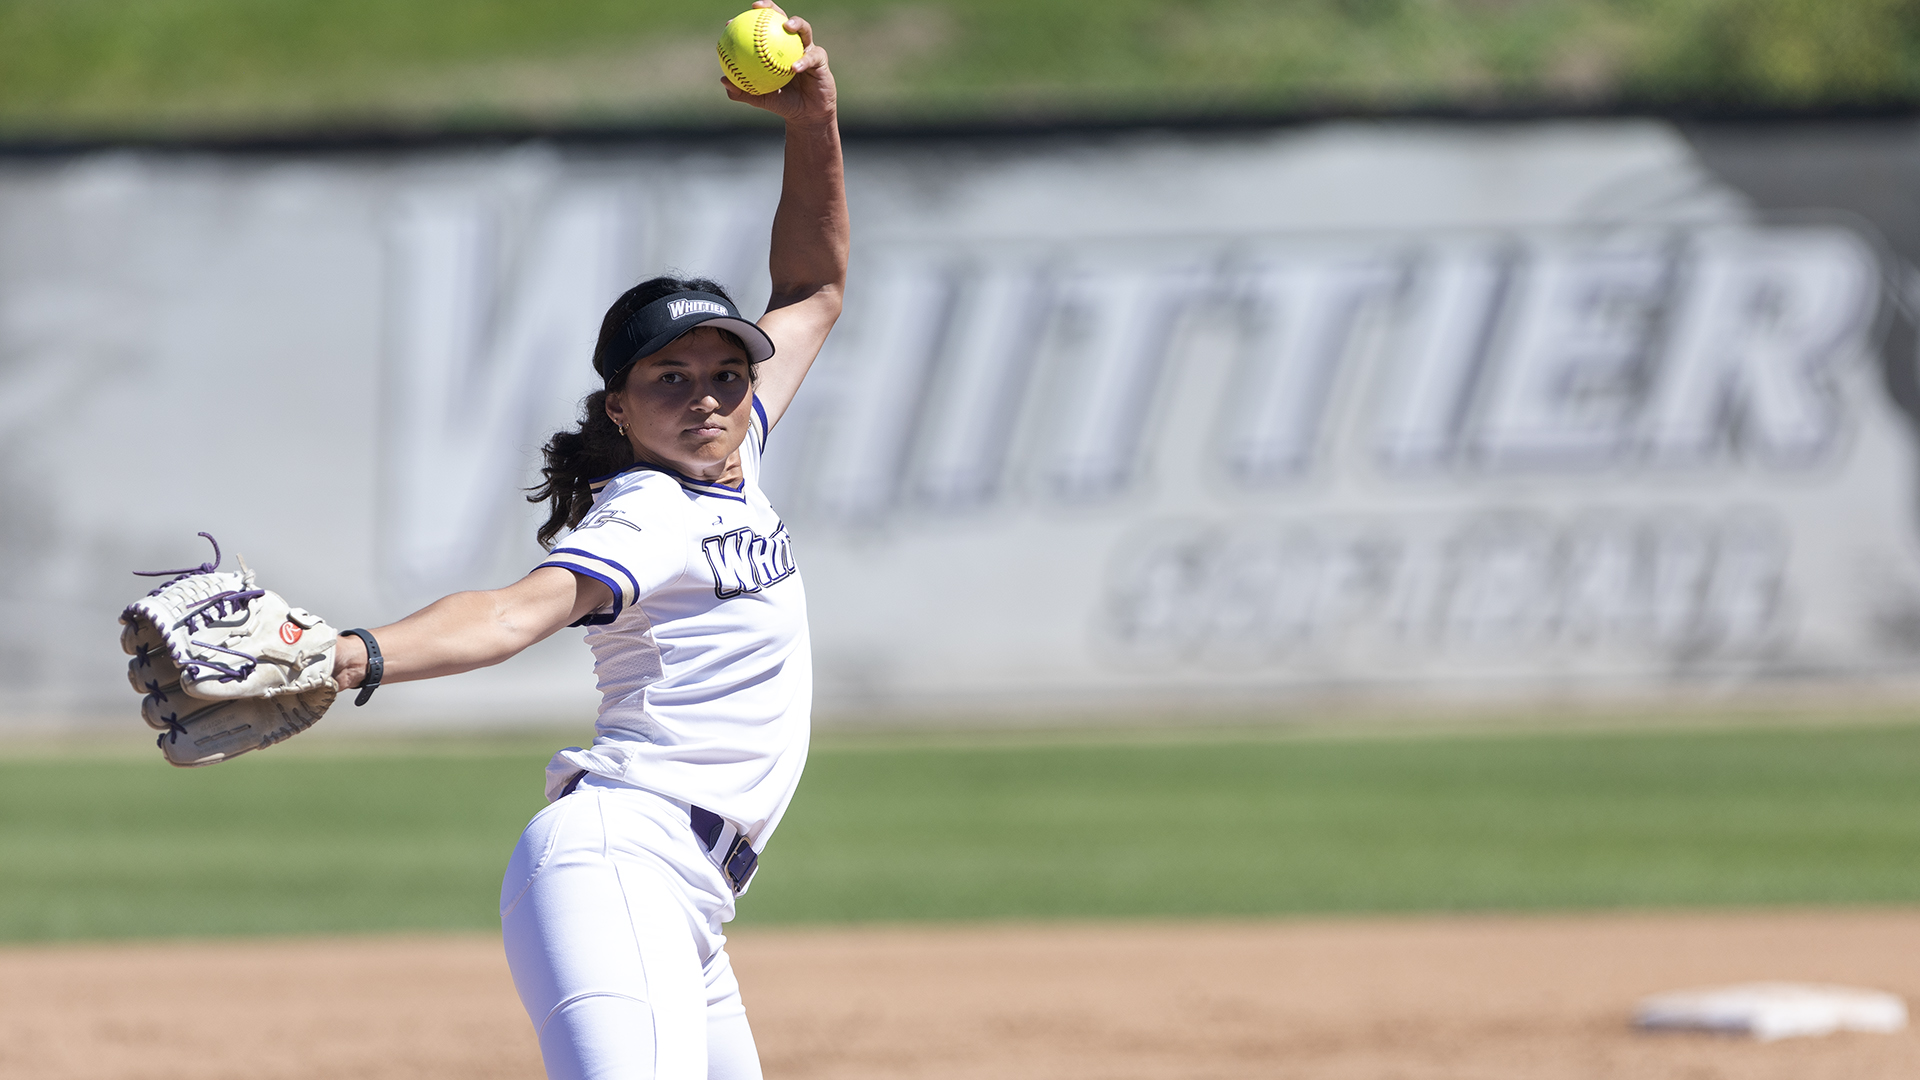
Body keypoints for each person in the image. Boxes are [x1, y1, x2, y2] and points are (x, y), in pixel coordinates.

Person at [325, 7, 845, 1076]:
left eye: (725, 374)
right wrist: (350, 655)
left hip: (691, 898)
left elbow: (813, 288)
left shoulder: (736, 450)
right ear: (617, 407)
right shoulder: (646, 513)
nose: (707, 397)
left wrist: (813, 121)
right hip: (619, 867)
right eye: (672, 377)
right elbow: (515, 612)